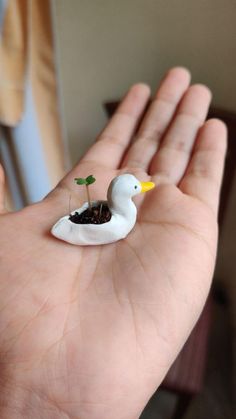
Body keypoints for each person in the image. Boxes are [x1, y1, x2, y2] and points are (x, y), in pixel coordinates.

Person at [0, 67, 227, 419]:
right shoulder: (114, 222)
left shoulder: (118, 212)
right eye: (136, 189)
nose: (142, 190)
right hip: (75, 226)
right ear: (125, 196)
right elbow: (75, 223)